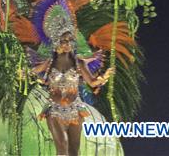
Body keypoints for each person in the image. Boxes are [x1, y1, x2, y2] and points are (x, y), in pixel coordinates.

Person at [33, 26, 113, 156]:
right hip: (54, 110)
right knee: (62, 147)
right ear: (57, 42)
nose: (67, 43)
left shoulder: (79, 63)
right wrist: (21, 72)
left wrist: (104, 77)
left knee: (74, 152)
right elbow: (32, 72)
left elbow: (92, 82)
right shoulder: (50, 63)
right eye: (64, 40)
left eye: (70, 40)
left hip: (75, 110)